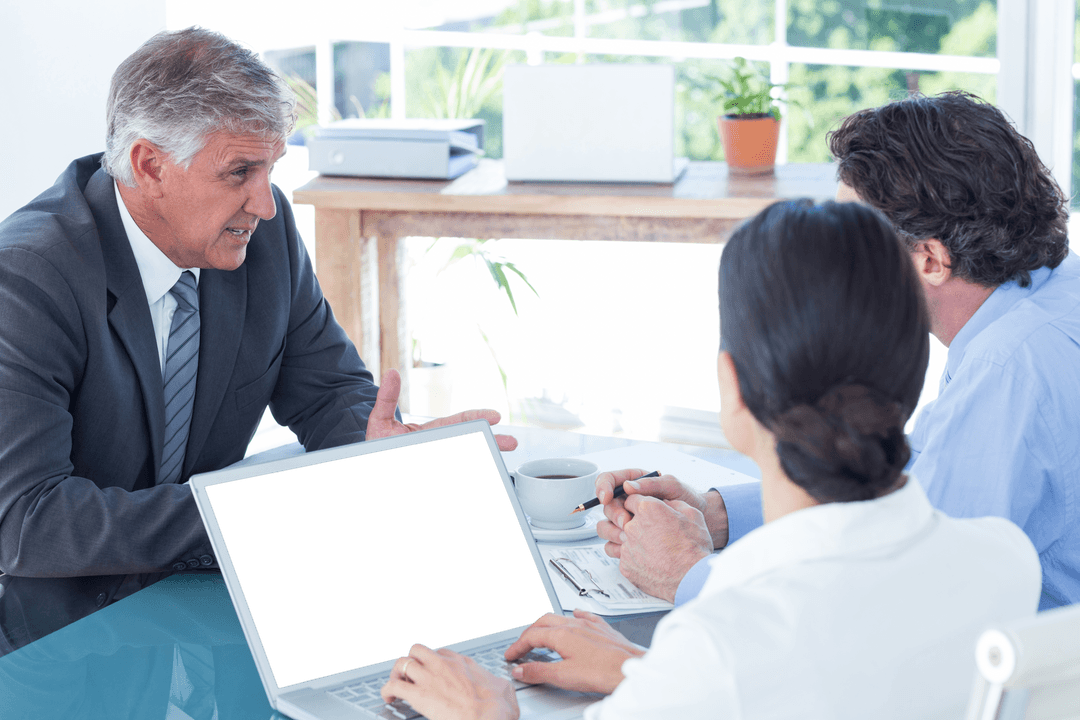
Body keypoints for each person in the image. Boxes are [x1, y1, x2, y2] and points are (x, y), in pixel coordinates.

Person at [376, 200, 1041, 720]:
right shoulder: (1005, 560)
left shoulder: (722, 643)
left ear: (733, 385)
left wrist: (486, 713)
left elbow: (748, 670)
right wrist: (646, 677)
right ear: (914, 373)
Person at [0, 27, 514, 585]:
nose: (266, 204)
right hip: (70, 611)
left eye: (272, 168)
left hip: (212, 583)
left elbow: (327, 390)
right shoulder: (26, 279)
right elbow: (27, 522)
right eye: (239, 172)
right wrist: (266, 510)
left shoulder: (260, 234)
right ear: (149, 166)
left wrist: (376, 454)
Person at [598, 91, 1079, 611]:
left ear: (931, 261)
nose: (837, 261)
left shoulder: (1008, 368)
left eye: (856, 239)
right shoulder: (1053, 295)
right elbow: (925, 473)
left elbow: (894, 601)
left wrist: (688, 574)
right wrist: (719, 515)